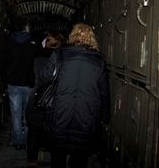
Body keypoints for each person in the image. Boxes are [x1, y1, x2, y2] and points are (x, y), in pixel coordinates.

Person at [41, 23, 110, 168]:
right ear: (92, 38)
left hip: (61, 111)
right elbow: (104, 91)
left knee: (58, 155)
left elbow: (45, 76)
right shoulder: (99, 61)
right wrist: (105, 116)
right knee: (80, 157)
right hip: (87, 115)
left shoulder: (59, 54)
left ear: (72, 36)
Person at [25, 31, 65, 168]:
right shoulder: (62, 59)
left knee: (34, 130)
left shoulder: (36, 56)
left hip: (35, 98)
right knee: (53, 133)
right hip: (54, 101)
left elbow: (31, 78)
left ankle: (32, 160)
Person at [0, 19, 39, 150]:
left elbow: (1, 63)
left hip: (13, 83)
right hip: (28, 83)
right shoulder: (33, 44)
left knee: (16, 114)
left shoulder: (9, 43)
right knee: (28, 114)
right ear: (28, 29)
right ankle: (27, 140)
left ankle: (18, 142)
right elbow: (38, 63)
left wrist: (6, 78)